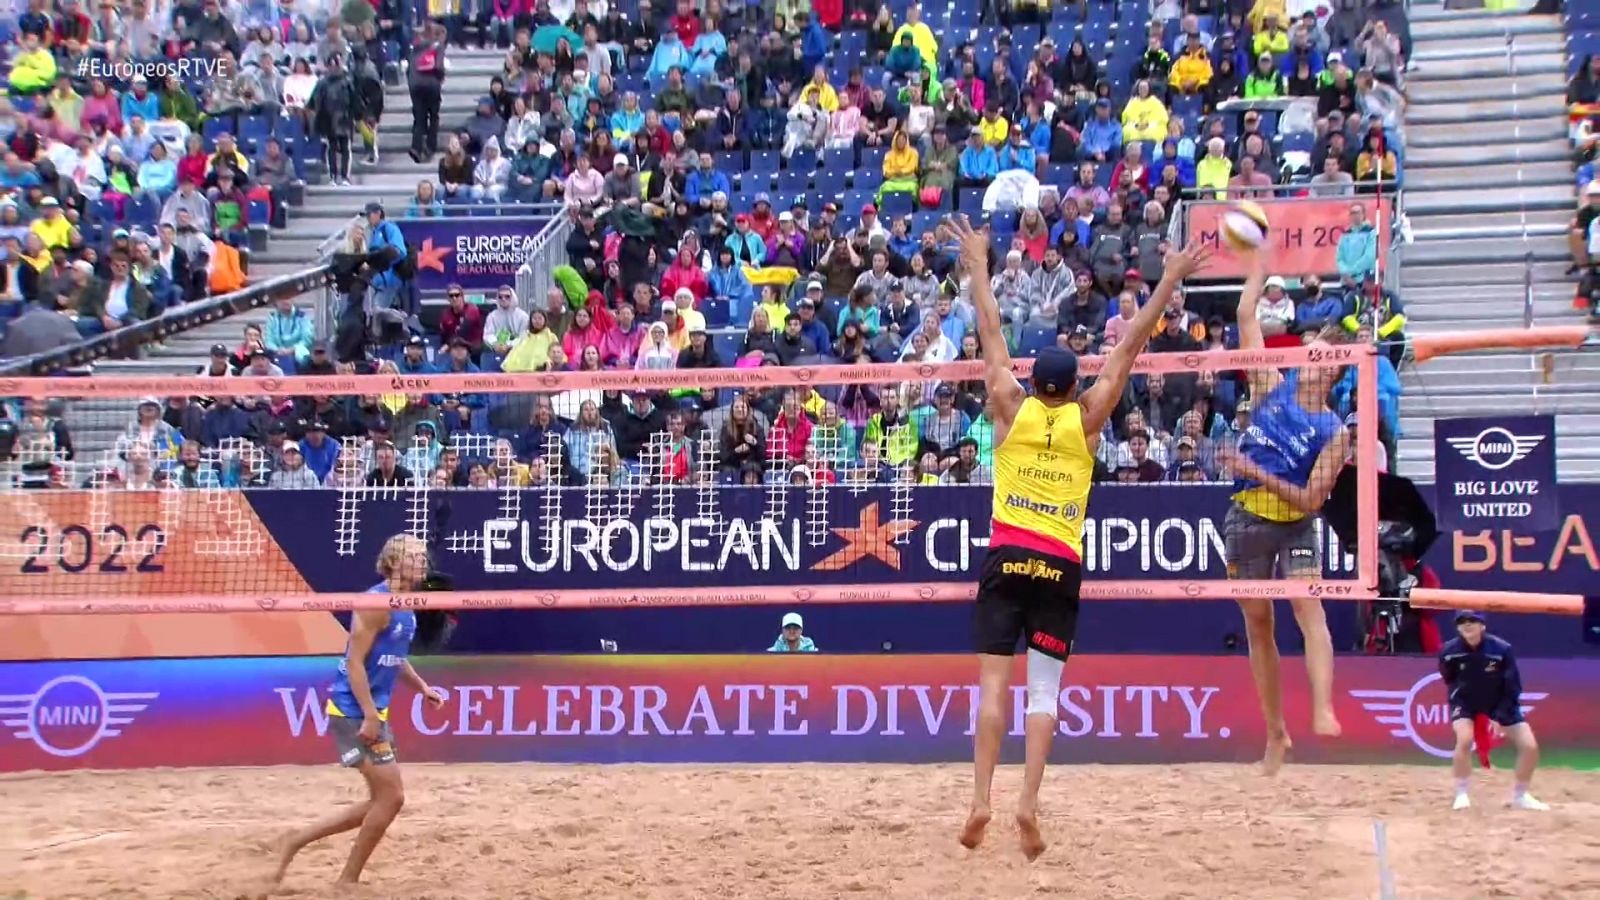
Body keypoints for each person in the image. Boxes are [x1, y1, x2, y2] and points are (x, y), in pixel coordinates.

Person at [953, 212, 1210, 861]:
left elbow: (988, 331)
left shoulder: (1008, 406)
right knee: (1044, 694)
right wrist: (1170, 278)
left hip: (1007, 554)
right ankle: (1028, 806)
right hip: (1058, 561)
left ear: (1034, 381)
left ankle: (981, 797)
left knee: (991, 690)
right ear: (1072, 387)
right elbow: (1129, 346)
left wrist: (979, 267)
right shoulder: (1088, 419)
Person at [1217, 244, 1350, 776]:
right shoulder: (1271, 384)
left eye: (1318, 351)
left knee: (1309, 609)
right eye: (1310, 346)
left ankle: (1322, 707)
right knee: (1258, 625)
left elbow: (1313, 501)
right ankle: (1276, 733)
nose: (1308, 353)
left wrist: (1257, 472)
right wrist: (1259, 265)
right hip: (1247, 520)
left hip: (1293, 520)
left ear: (1335, 368)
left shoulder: (1334, 433)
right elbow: (1245, 315)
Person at [272, 534, 446, 887]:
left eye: (423, 557)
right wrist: (368, 714)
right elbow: (353, 662)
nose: (422, 562)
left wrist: (422, 687)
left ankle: (296, 841)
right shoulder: (375, 603)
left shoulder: (407, 605)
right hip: (352, 711)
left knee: (381, 802)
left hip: (371, 711)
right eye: (414, 556)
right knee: (392, 798)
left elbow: (394, 659)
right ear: (393, 563)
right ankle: (346, 879)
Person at [1442, 610, 1548, 812]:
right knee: (1464, 740)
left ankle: (1520, 795)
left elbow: (1513, 687)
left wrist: (1498, 717)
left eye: (1472, 620)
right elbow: (1449, 678)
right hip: (1466, 702)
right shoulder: (1449, 651)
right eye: (1462, 622)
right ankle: (1462, 794)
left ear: (1483, 625)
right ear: (1457, 628)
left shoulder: (1501, 649)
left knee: (1530, 746)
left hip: (1500, 702)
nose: (1467, 625)